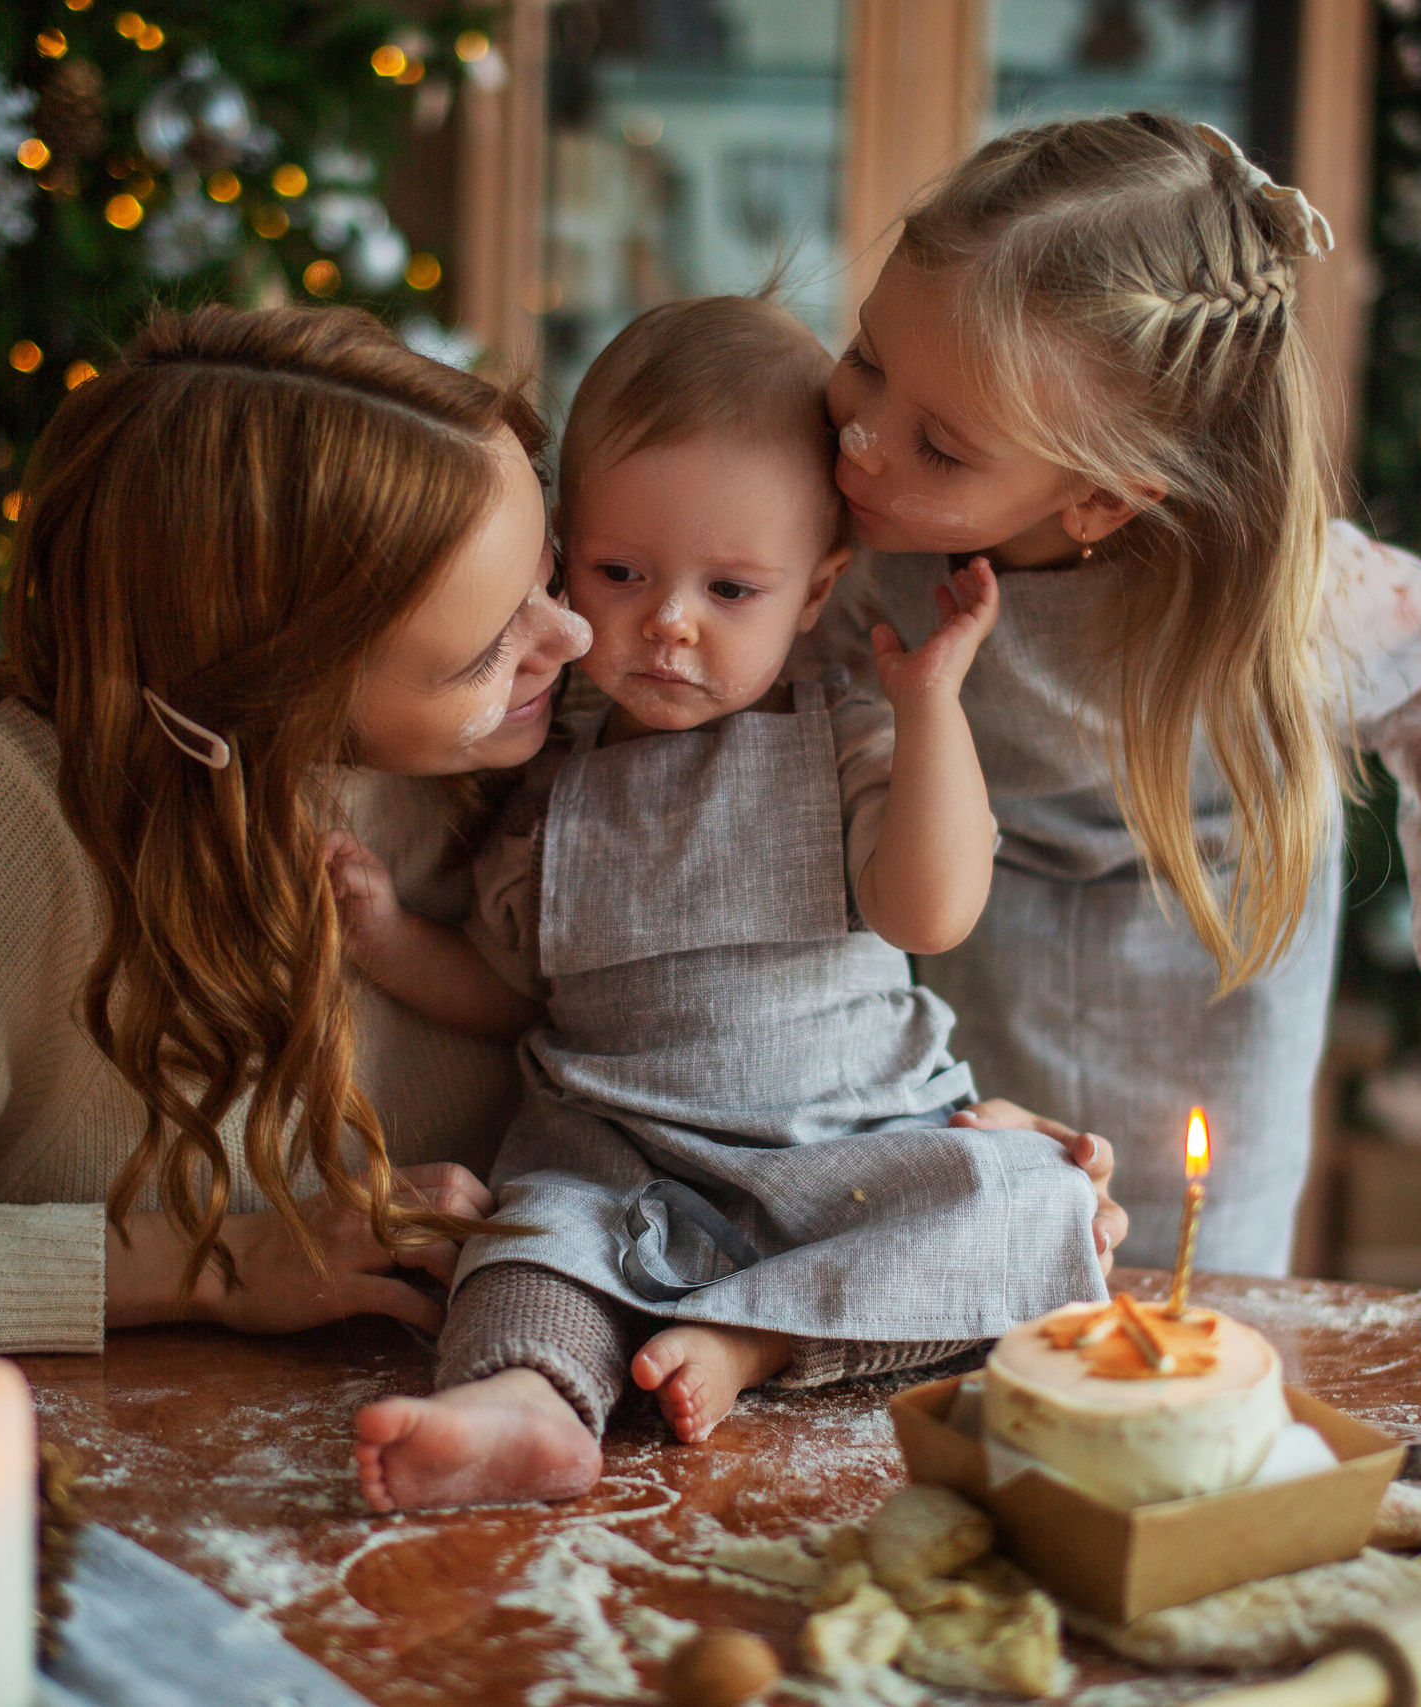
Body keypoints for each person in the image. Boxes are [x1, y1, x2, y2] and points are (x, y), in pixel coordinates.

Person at [326, 297, 1121, 1513]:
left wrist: (928, 708)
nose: (669, 623)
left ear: (817, 592)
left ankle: (757, 1342)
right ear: (561, 559)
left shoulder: (846, 739)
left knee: (1036, 1204)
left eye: (732, 589)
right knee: (530, 1235)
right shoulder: (553, 775)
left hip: (850, 1149)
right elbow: (508, 992)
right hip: (623, 1148)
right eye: (620, 573)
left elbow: (929, 913)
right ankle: (526, 1403)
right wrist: (388, 939)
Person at [0, 305, 592, 1356]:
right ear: (278, 691)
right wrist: (222, 1264)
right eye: (489, 652)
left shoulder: (570, 740)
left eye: (548, 572)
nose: (577, 635)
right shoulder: (38, 807)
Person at [818, 115, 1421, 1275]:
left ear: (1103, 500)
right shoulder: (866, 543)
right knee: (983, 1263)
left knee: (1197, 1299)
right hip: (985, 964)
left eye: (941, 448)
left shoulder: (1272, 591)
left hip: (1212, 982)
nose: (861, 439)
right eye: (864, 355)